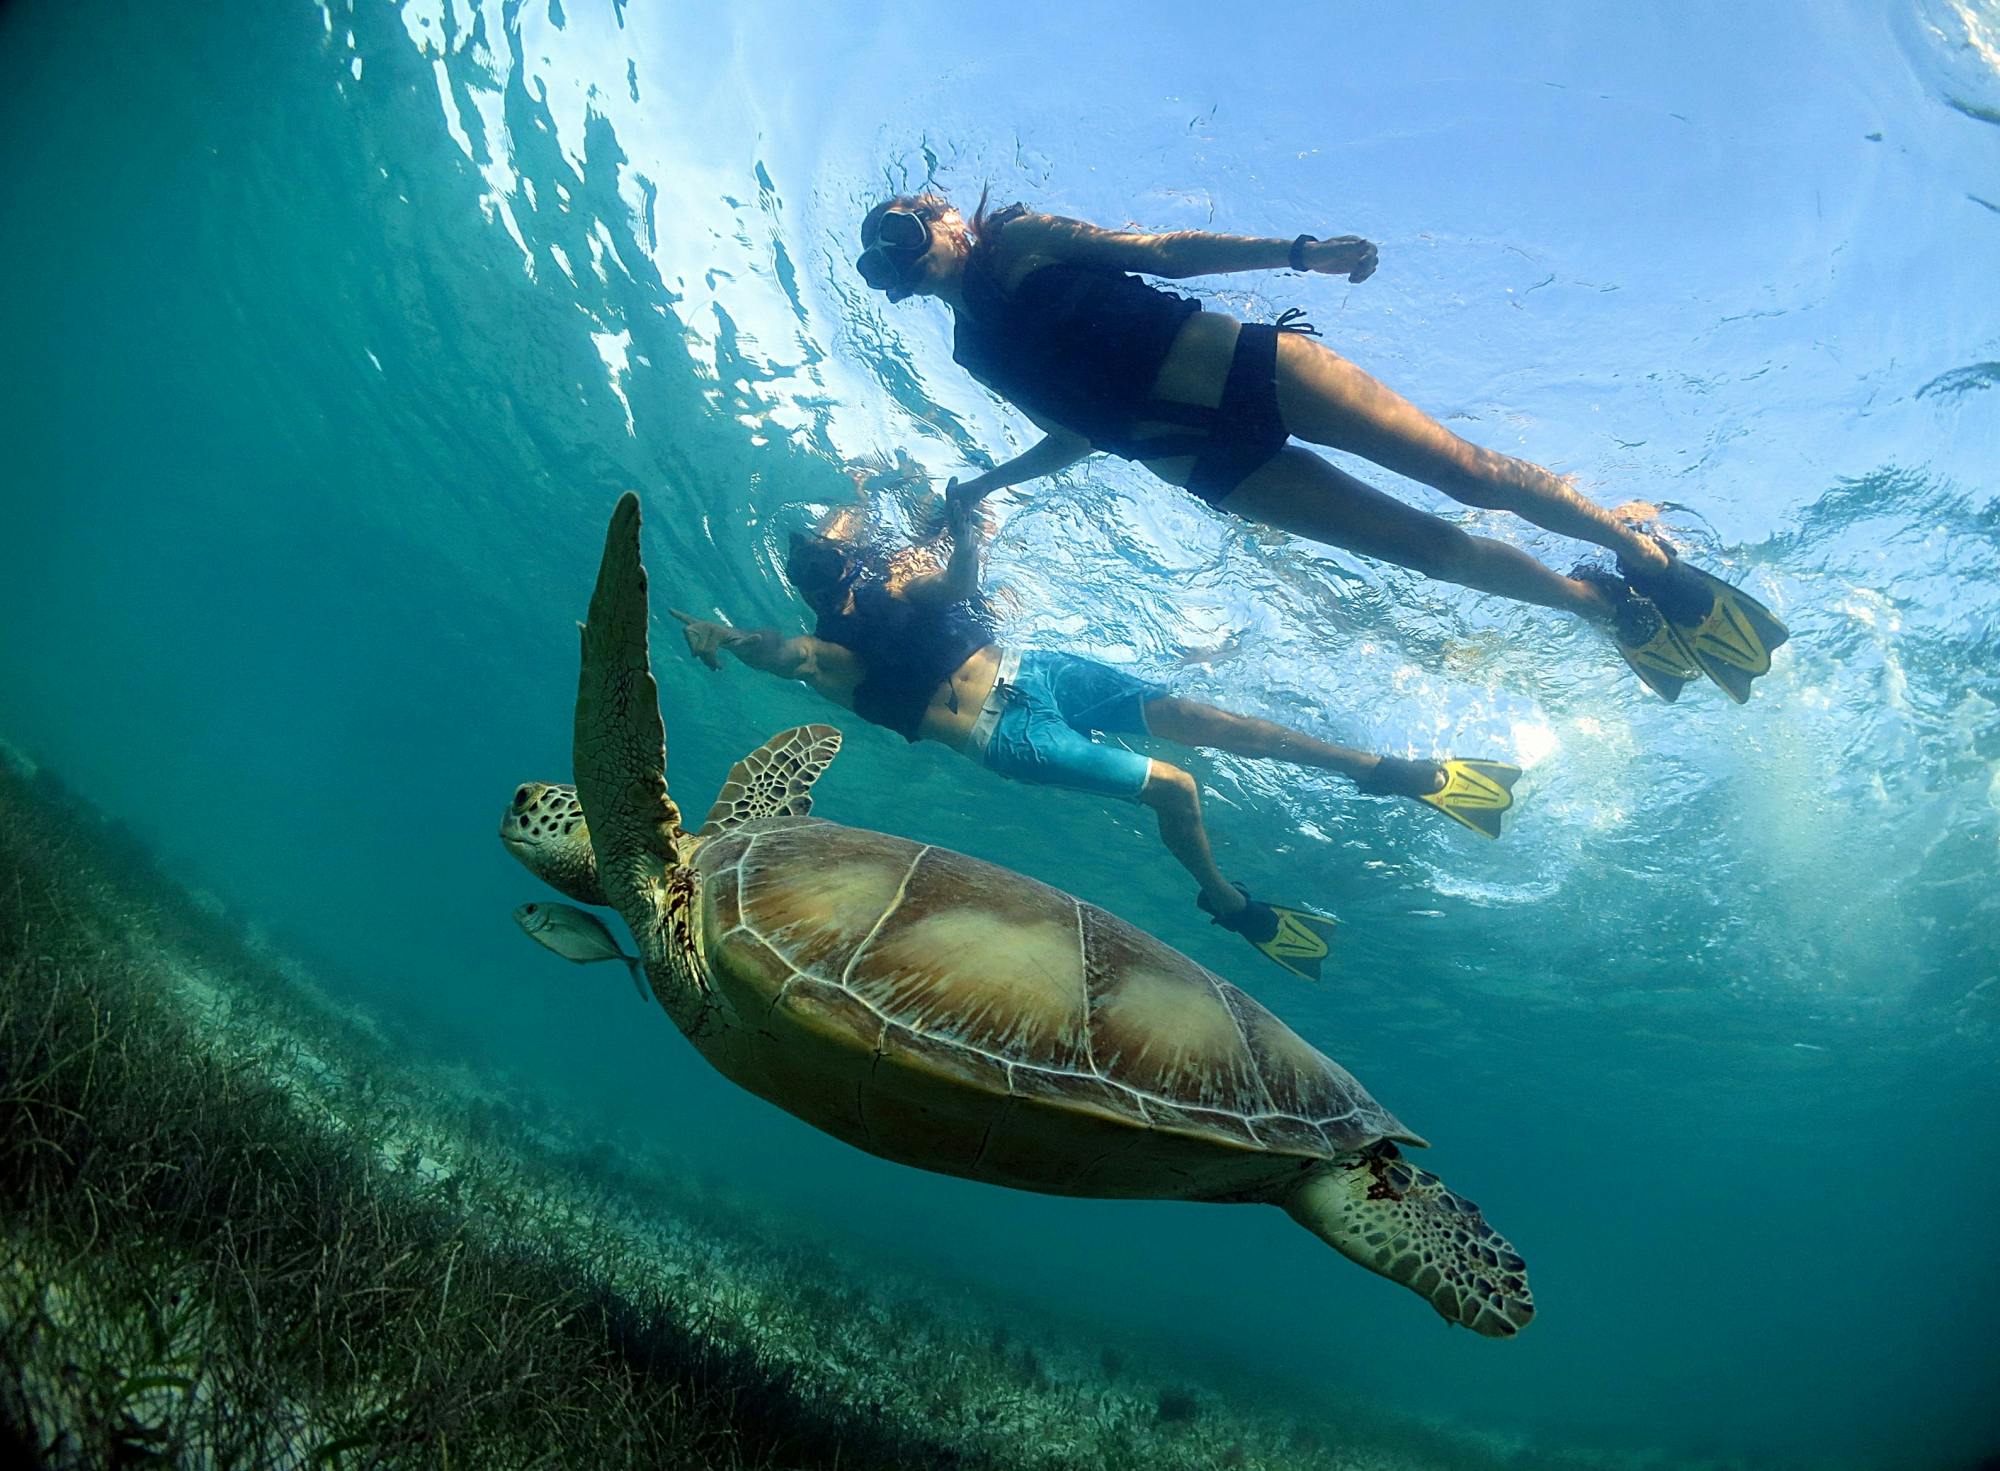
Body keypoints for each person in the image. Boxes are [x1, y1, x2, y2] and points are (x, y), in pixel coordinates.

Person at [852, 191, 1789, 705]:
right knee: (1432, 555)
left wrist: (1300, 253)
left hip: (1255, 370)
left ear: (942, 211)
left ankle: (1643, 556)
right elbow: (1073, 434)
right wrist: (984, 481)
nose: (905, 255)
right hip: (1203, 462)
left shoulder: (1021, 237)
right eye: (885, 259)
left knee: (1469, 474)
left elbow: (1166, 251)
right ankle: (1595, 605)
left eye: (903, 230)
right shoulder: (973, 348)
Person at [671, 480, 1520, 981]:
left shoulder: (893, 588)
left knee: (1200, 718)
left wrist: (951, 524)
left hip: (1040, 667)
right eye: (838, 577)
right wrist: (724, 636)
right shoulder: (837, 649)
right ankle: (1229, 904)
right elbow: (783, 653)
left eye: (850, 566)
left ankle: (1380, 770)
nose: (853, 580)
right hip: (1006, 734)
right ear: (827, 593)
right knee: (1177, 787)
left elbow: (954, 576)